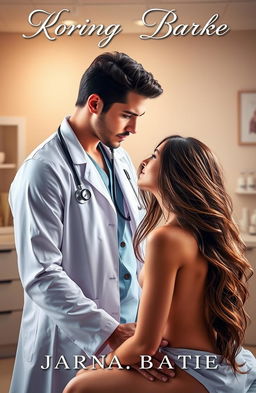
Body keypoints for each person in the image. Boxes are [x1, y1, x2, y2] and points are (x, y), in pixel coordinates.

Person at [8, 52, 172, 393]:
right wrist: (109, 332)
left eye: (137, 116)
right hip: (73, 339)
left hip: (130, 331)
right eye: (127, 115)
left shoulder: (120, 159)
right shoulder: (43, 170)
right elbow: (42, 274)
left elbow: (133, 241)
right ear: (94, 103)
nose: (134, 128)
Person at [63, 136, 256, 393]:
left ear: (176, 172)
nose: (143, 161)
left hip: (193, 368)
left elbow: (145, 344)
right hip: (220, 361)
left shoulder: (164, 239)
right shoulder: (199, 233)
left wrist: (103, 364)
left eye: (155, 156)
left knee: (79, 386)